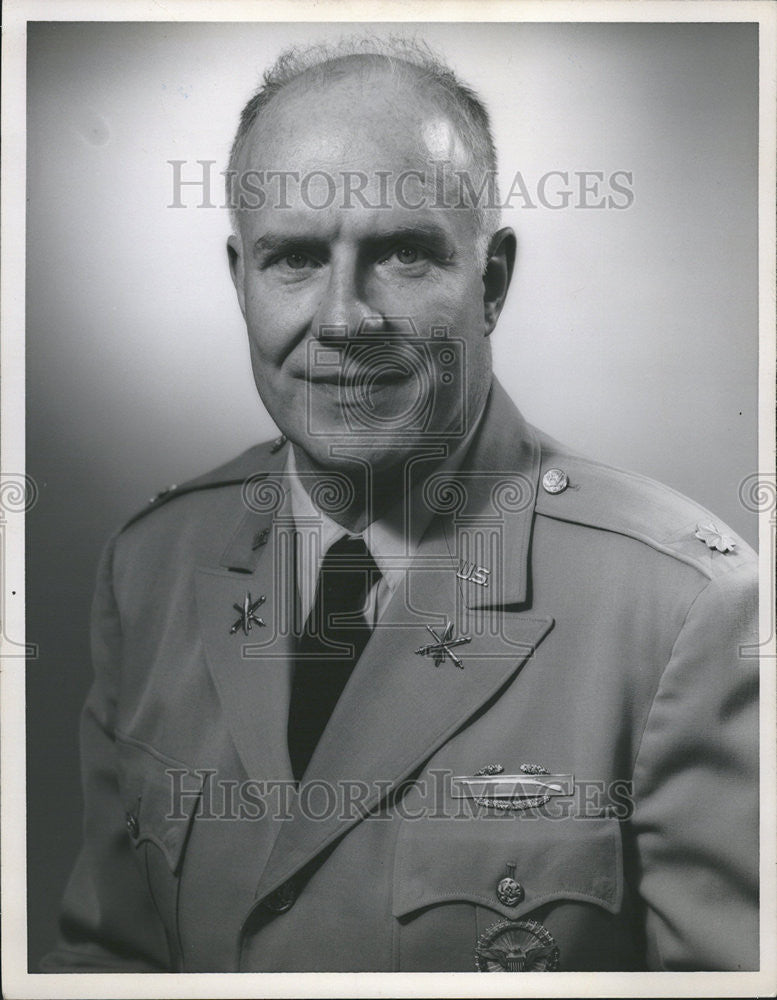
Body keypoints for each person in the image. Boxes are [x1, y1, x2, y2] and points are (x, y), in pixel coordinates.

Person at [43, 37, 758, 974]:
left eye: (402, 255)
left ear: (491, 282)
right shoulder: (151, 569)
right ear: (240, 282)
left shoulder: (682, 613)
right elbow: (108, 966)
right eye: (293, 260)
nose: (343, 320)